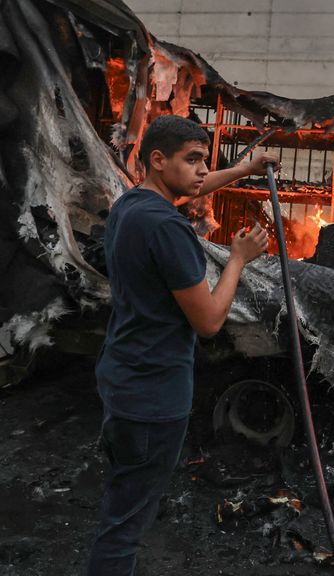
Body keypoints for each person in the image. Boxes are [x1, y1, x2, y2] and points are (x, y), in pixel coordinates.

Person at [87, 115, 279, 575]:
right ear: (158, 159)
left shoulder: (130, 205)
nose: (200, 171)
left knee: (122, 500)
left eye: (204, 162)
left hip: (122, 376)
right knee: (125, 526)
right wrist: (238, 259)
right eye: (193, 160)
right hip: (154, 397)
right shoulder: (170, 231)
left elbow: (192, 184)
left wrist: (243, 169)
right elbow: (210, 320)